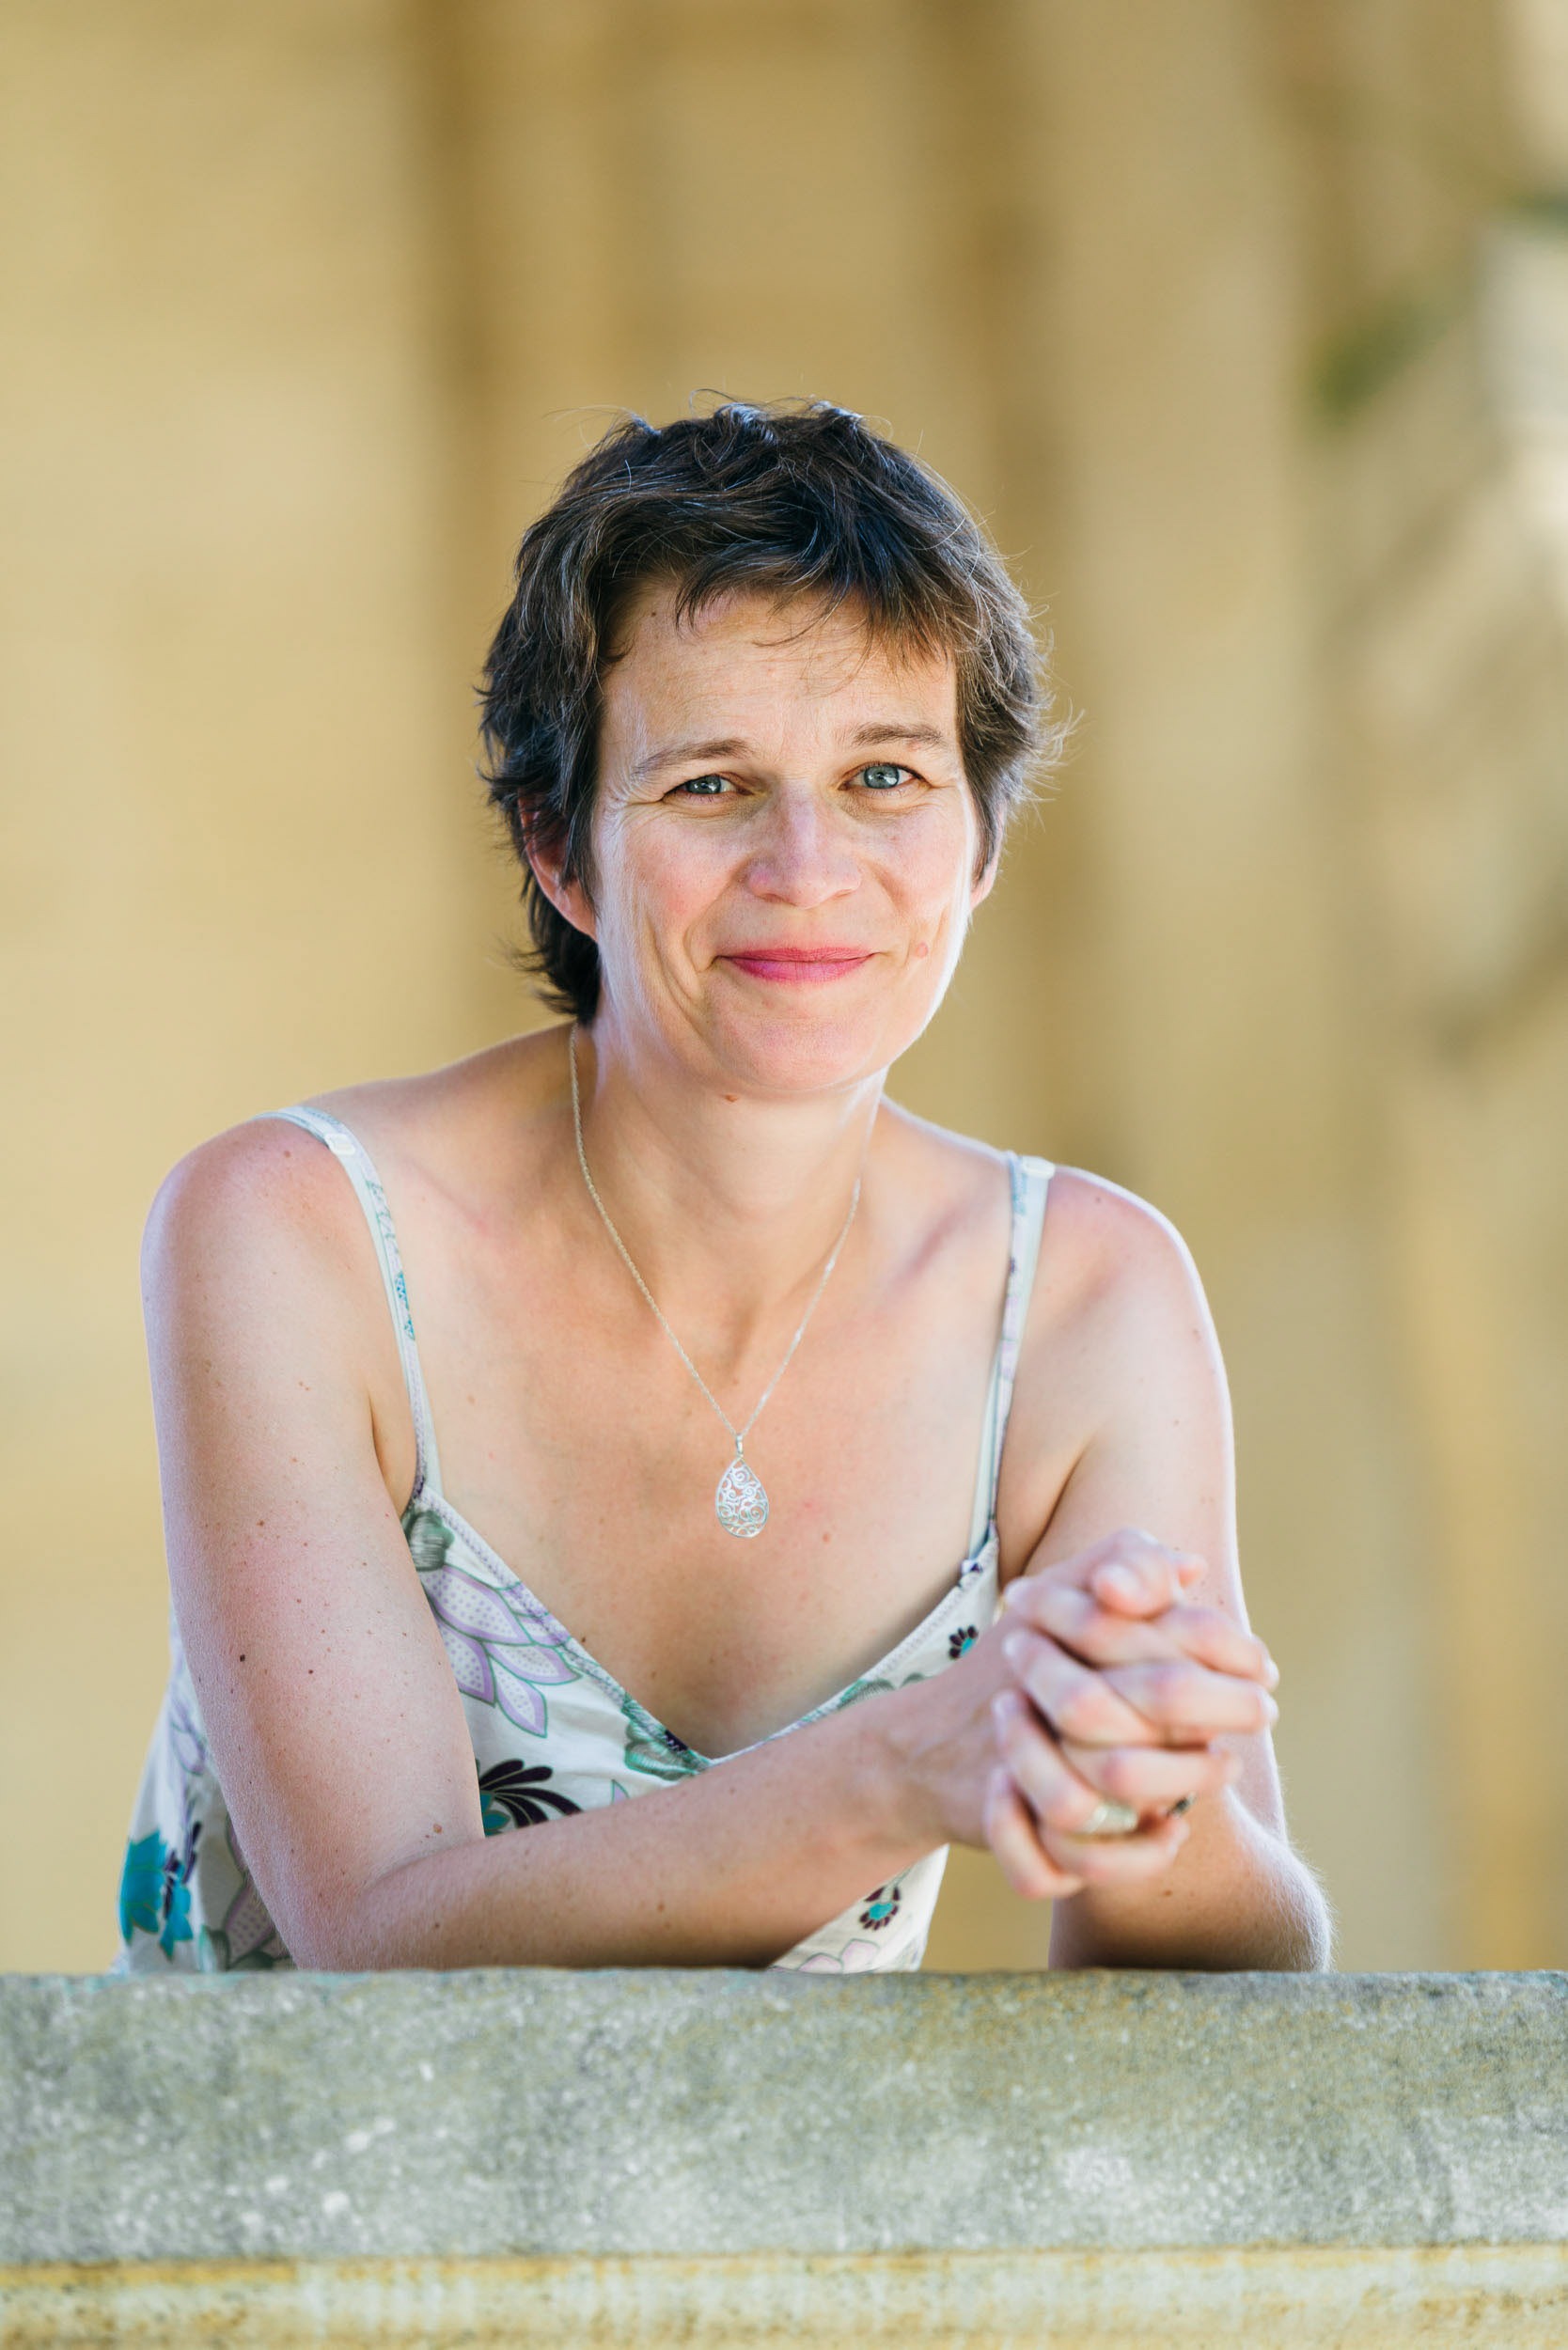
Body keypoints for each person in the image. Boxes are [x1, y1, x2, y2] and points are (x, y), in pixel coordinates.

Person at [116, 401, 1329, 1978]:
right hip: (295, 2209)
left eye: (889, 775)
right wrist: (912, 1762)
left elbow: (1226, 1974)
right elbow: (378, 1940)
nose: (809, 865)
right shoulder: (294, 1231)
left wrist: (1135, 1782)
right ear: (559, 849)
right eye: (710, 786)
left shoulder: (1089, 1294)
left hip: (800, 2227)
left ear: (977, 846)